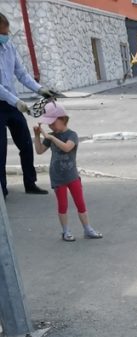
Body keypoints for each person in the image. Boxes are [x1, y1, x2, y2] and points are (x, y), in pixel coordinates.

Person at [32, 100, 101, 242]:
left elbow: (67, 148)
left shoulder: (72, 135)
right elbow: (39, 151)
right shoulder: (51, 136)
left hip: (72, 176)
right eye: (49, 124)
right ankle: (65, 231)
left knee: (80, 203)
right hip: (58, 177)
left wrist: (51, 137)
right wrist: (37, 136)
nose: (51, 126)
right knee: (62, 205)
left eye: (53, 122)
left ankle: (87, 228)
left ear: (63, 119)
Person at [0, 12, 50, 198]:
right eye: (3, 32)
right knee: (1, 149)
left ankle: (30, 183)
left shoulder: (9, 47)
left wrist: (40, 90)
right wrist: (18, 101)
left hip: (12, 103)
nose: (6, 35)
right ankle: (2, 191)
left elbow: (21, 74)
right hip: (4, 103)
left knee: (26, 144)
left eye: (6, 32)